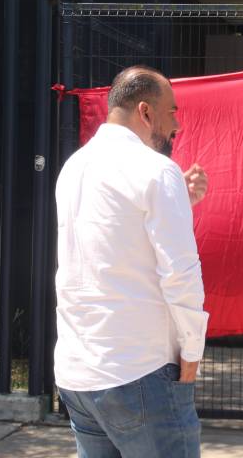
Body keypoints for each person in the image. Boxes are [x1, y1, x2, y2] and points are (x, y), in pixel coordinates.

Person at [54, 65, 209, 458]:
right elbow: (181, 273)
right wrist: (192, 352)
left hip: (78, 372)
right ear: (145, 112)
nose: (176, 125)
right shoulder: (157, 171)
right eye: (172, 112)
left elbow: (109, 242)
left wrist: (179, 201)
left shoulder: (74, 167)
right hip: (139, 371)